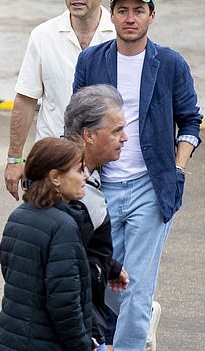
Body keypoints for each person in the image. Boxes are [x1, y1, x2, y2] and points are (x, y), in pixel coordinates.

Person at [73, 0, 203, 350]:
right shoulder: (91, 60)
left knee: (138, 283)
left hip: (151, 185)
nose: (130, 18)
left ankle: (129, 342)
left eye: (138, 11)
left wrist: (178, 167)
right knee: (104, 278)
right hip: (102, 185)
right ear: (110, 15)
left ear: (151, 15)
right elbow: (76, 121)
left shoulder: (171, 64)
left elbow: (190, 120)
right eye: (122, 10)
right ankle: (136, 323)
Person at [5, 0, 115, 200]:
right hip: (54, 169)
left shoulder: (120, 36)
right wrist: (15, 158)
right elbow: (25, 99)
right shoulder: (42, 36)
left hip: (109, 169)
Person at [0, 137, 92, 351]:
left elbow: (12, 275)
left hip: (8, 341)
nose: (85, 176)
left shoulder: (17, 216)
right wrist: (83, 346)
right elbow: (65, 305)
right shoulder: (63, 227)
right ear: (55, 177)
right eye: (79, 169)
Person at [64, 84, 130, 350]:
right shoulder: (76, 195)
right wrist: (88, 336)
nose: (124, 138)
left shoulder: (67, 175)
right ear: (88, 135)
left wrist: (109, 266)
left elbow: (79, 249)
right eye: (116, 131)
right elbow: (62, 273)